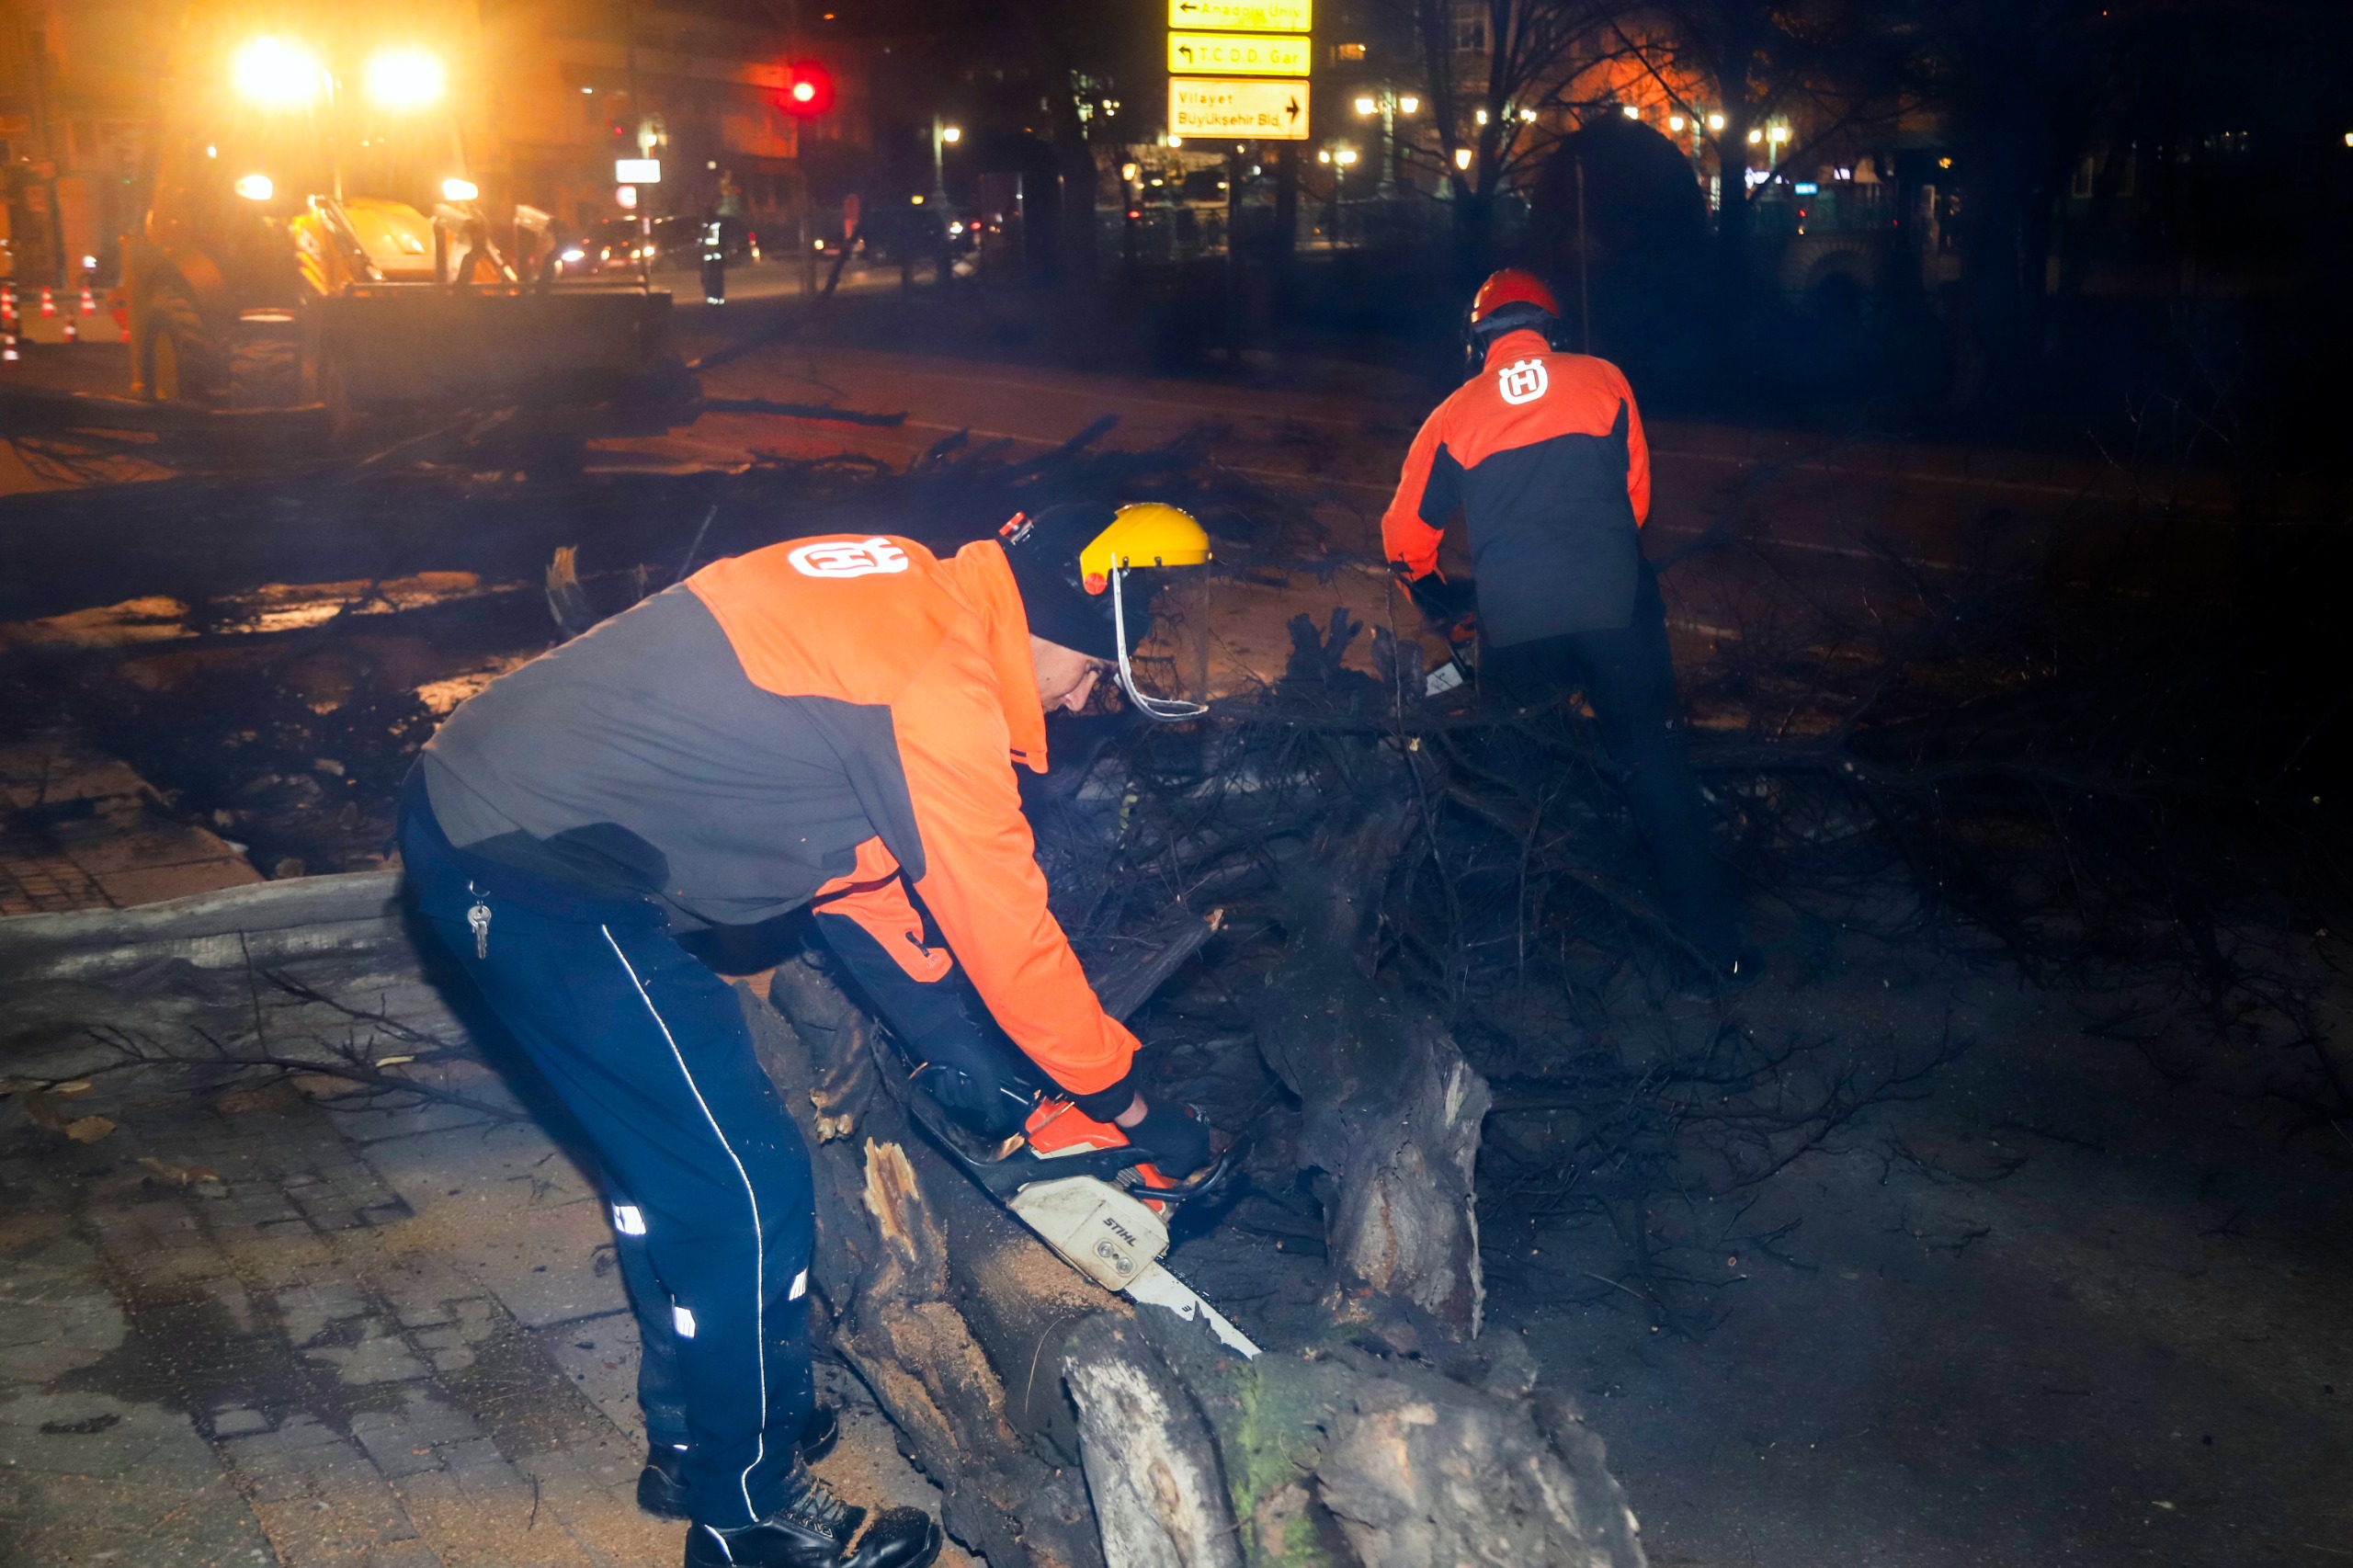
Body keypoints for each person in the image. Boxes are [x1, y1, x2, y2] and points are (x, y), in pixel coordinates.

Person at [398, 503, 1213, 1568]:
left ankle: (699, 1436)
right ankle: (748, 1516)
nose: (1083, 699)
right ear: (1063, 621)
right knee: (744, 1185)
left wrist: (990, 1066)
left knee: (670, 1169)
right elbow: (1005, 924)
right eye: (1094, 672)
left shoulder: (909, 598)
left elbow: (861, 874)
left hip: (493, 816)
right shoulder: (939, 681)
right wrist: (1122, 1097)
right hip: (538, 868)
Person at [1381, 267, 1751, 981]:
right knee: (1655, 766)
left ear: (1476, 341)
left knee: (1514, 783)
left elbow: (1403, 541)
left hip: (1516, 622)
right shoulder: (1605, 380)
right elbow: (1635, 500)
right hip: (1617, 606)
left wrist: (1443, 604)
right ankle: (1713, 952)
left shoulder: (1454, 416)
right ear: (1554, 330)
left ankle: (1497, 965)